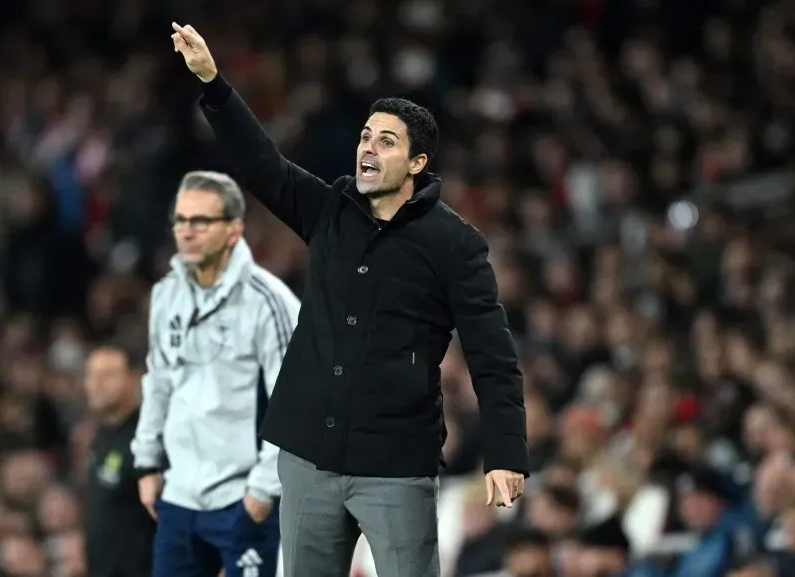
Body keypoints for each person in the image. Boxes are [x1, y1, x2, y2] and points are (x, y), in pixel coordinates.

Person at [170, 21, 529, 577]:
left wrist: (505, 453)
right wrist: (214, 84)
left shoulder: (455, 244)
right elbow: (262, 164)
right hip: (308, 453)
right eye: (365, 136)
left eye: (386, 142)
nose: (367, 147)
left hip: (395, 463)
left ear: (416, 164)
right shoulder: (331, 209)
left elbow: (492, 355)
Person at [130, 171, 301, 577]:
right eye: (180, 220)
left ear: (233, 229)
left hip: (244, 497)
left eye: (201, 221)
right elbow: (158, 380)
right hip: (179, 497)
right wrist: (147, 462)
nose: (187, 232)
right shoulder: (166, 294)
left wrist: (262, 489)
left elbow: (294, 399)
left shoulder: (268, 301)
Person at [83, 344, 157, 577]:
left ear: (135, 378)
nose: (96, 384)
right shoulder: (101, 436)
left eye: (108, 375)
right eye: (91, 375)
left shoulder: (147, 438)